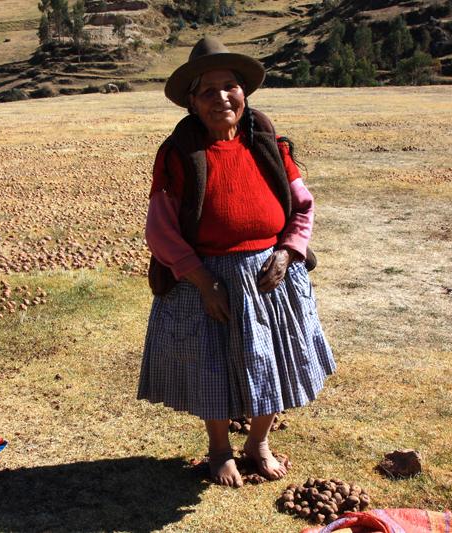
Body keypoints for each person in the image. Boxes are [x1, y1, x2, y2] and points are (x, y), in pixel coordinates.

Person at [137, 37, 335, 488]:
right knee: (212, 367)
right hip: (205, 277)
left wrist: (288, 251)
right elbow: (160, 229)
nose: (222, 98)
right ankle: (220, 450)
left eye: (230, 86)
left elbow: (302, 205)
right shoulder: (178, 154)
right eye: (208, 91)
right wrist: (204, 282)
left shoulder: (267, 142)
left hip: (271, 275)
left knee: (271, 362)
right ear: (191, 101)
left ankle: (258, 443)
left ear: (244, 91)